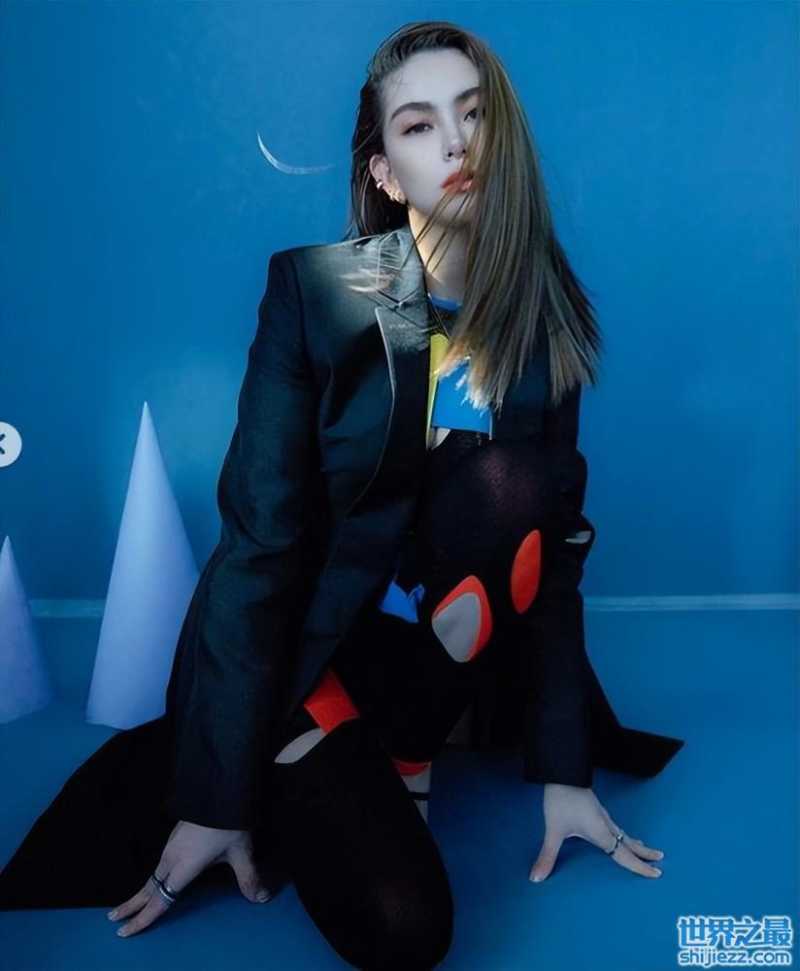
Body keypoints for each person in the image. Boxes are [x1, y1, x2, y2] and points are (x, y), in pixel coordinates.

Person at [0, 20, 684, 969]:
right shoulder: (314, 296)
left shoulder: (542, 318)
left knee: (517, 483)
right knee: (407, 929)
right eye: (420, 125)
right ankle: (310, 752)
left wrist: (564, 773)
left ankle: (406, 740)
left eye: (474, 114)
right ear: (386, 173)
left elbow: (550, 554)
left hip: (426, 665)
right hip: (302, 648)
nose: (456, 144)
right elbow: (259, 542)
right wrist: (216, 798)